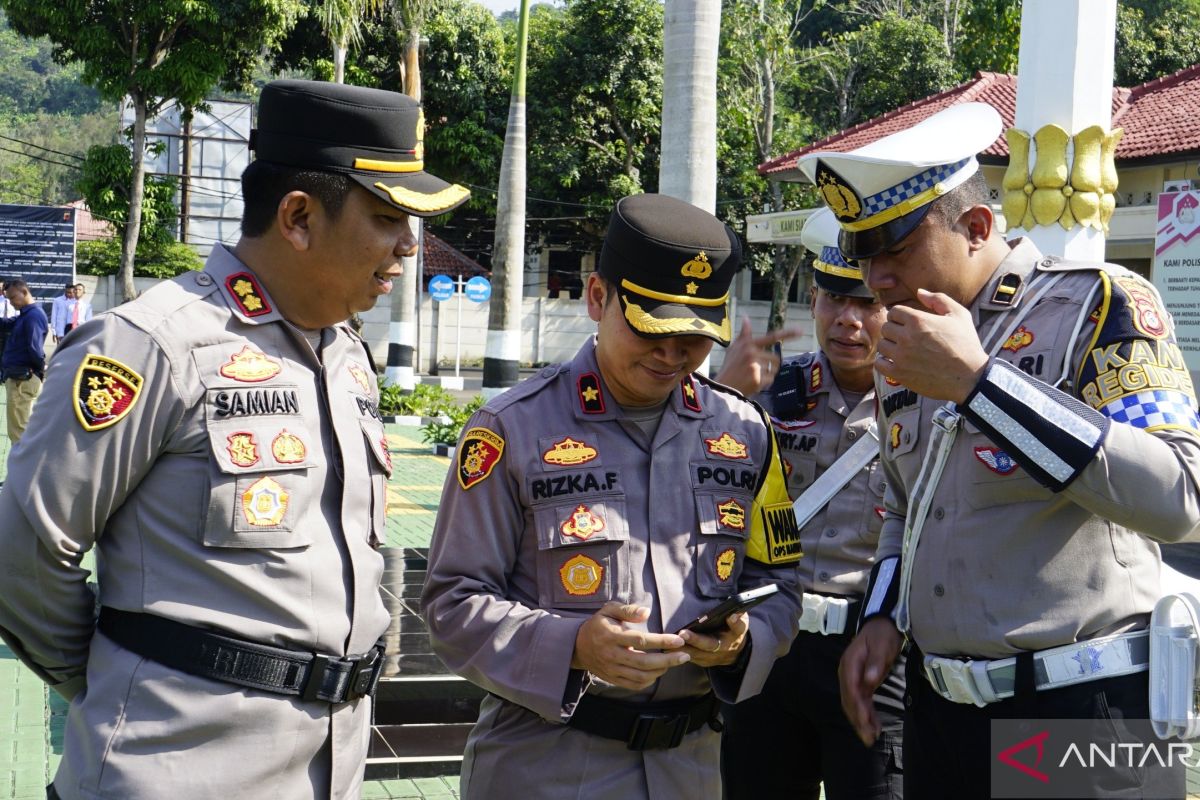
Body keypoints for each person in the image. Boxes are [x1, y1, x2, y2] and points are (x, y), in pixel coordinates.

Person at [0, 79, 469, 800]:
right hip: (175, 772)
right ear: (299, 217)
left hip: (327, 767)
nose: (408, 244)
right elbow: (22, 549)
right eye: (386, 217)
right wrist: (124, 677)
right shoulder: (153, 345)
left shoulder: (346, 356)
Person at [797, 103, 1200, 797]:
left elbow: (1181, 499)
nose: (876, 281)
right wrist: (883, 619)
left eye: (895, 249)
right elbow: (906, 501)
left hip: (1082, 707)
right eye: (866, 258)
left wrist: (981, 385)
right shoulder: (907, 344)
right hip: (939, 709)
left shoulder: (1099, 304)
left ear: (977, 225)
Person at [421, 193, 804, 800]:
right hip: (546, 767)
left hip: (691, 770)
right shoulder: (510, 429)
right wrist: (573, 646)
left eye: (695, 337)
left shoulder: (746, 433)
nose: (673, 355)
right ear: (599, 297)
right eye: (653, 329)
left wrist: (740, 642)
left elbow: (780, 583)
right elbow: (452, 603)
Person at [718, 208, 902, 800]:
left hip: (872, 656)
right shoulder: (769, 389)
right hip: (771, 644)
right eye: (831, 299)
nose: (847, 320)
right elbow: (699, 486)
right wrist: (726, 396)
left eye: (866, 304)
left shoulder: (930, 403)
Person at [0, 278, 48, 442]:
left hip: (23, 379)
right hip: (21, 377)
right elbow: (6, 324)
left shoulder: (32, 316)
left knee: (19, 432)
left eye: (13, 298)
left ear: (24, 292)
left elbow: (35, 349)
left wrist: (39, 372)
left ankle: (23, 467)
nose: (11, 303)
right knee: (20, 429)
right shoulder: (26, 314)